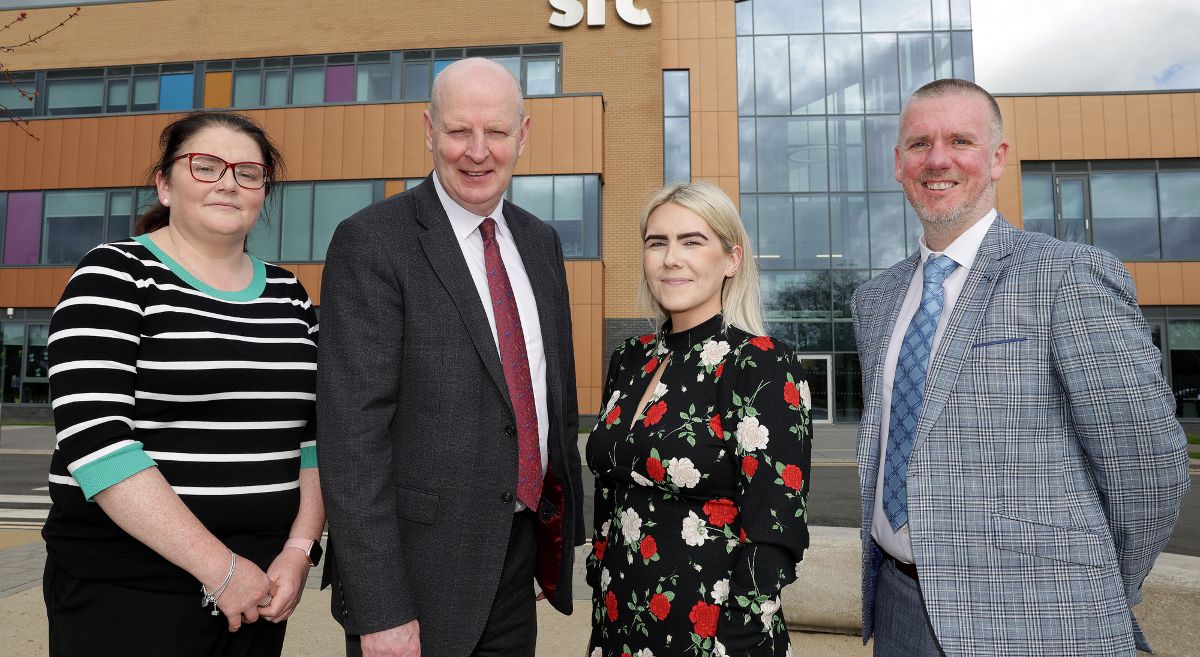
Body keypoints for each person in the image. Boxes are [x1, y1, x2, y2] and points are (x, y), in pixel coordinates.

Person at [851, 78, 1190, 657]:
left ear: (998, 157)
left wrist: (1096, 582)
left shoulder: (1069, 276)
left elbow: (1145, 462)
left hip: (1041, 616)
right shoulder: (876, 301)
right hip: (898, 607)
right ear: (898, 163)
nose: (937, 160)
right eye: (919, 143)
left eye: (961, 140)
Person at [317, 57, 583, 657]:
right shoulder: (372, 241)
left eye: (497, 132)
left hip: (515, 560)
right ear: (429, 131)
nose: (478, 152)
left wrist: (553, 544)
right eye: (460, 131)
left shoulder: (540, 242)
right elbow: (351, 439)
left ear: (524, 135)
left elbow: (552, 395)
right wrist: (381, 608)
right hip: (417, 576)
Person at [43, 111, 325, 656]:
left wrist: (299, 550)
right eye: (206, 166)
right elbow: (96, 443)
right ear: (164, 184)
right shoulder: (114, 274)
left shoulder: (290, 295)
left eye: (248, 172)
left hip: (261, 588)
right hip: (126, 590)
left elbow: (314, 439)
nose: (228, 183)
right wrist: (220, 570)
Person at [586, 182, 812, 657]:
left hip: (714, 630)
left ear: (731, 260)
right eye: (657, 243)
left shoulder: (760, 363)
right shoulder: (630, 358)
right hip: (619, 618)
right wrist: (598, 576)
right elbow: (609, 495)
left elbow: (776, 527)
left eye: (692, 241)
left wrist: (736, 635)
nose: (671, 258)